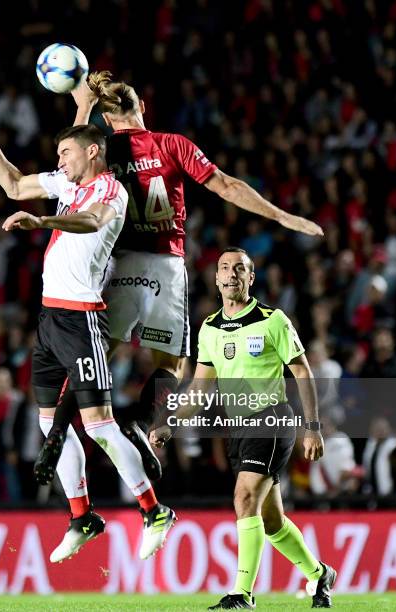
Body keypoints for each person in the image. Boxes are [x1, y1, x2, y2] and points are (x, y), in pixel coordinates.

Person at [35, 71, 324, 485]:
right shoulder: (171, 145)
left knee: (94, 360)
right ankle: (141, 422)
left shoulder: (102, 150)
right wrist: (282, 216)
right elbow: (225, 185)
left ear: (108, 119)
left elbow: (75, 153)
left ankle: (57, 433)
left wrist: (83, 96)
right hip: (165, 265)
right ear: (142, 108)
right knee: (171, 362)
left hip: (118, 268)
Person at [0, 102, 176, 562]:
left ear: (93, 152)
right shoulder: (67, 183)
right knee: (50, 427)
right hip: (49, 320)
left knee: (99, 426)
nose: (60, 161)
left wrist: (42, 221)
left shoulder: (112, 191)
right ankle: (82, 517)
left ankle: (154, 510)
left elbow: (91, 222)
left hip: (83, 319)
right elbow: (14, 185)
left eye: (67, 152)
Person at [151, 247, 336, 609]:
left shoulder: (273, 320)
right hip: (239, 429)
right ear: (216, 279)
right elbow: (201, 387)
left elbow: (302, 371)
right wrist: (170, 423)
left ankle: (242, 594)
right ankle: (319, 574)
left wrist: (312, 428)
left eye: (240, 268)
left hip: (271, 419)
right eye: (224, 268)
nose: (231, 274)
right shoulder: (209, 328)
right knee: (271, 522)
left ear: (251, 278)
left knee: (244, 498)